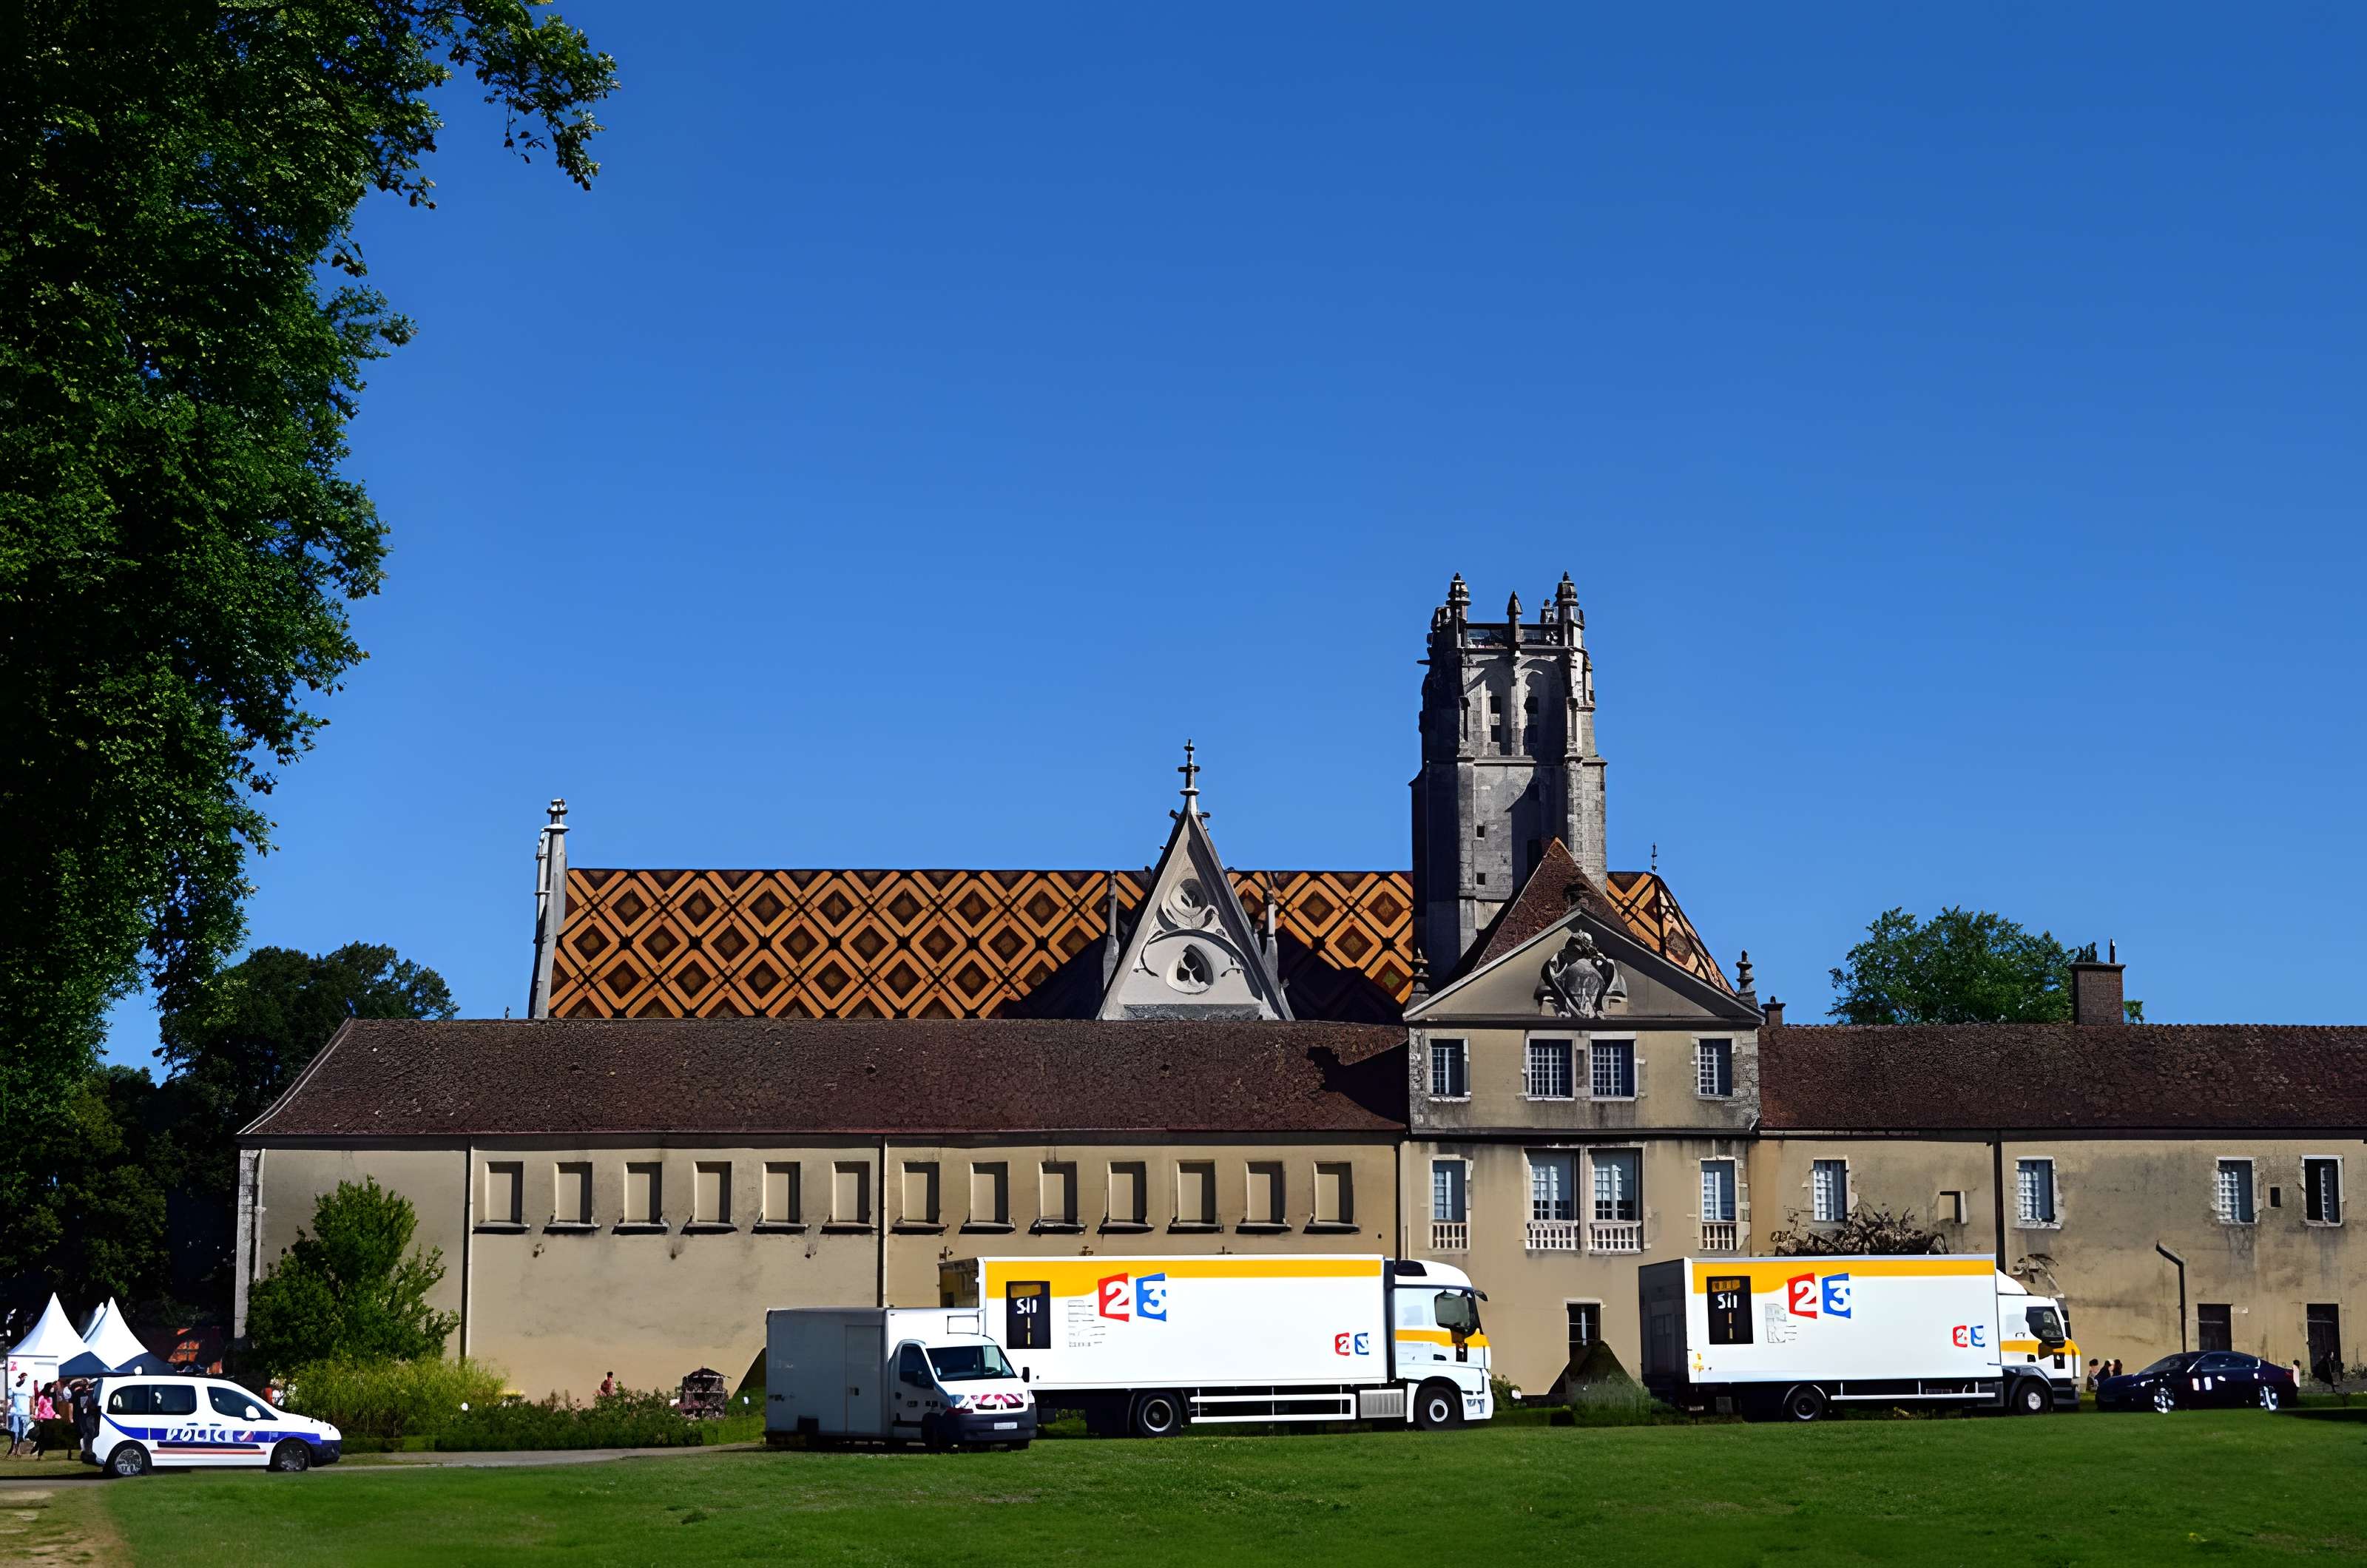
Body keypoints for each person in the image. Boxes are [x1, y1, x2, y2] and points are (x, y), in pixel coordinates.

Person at [5, 1373, 30, 1457]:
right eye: (23, 1378)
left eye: (25, 1379)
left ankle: (18, 1450)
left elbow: (31, 1399)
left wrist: (32, 1411)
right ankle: (14, 1449)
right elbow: (8, 1395)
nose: (24, 1380)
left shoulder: (27, 1388)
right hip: (16, 1412)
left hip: (25, 1413)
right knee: (15, 1431)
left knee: (23, 1432)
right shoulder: (14, 1387)